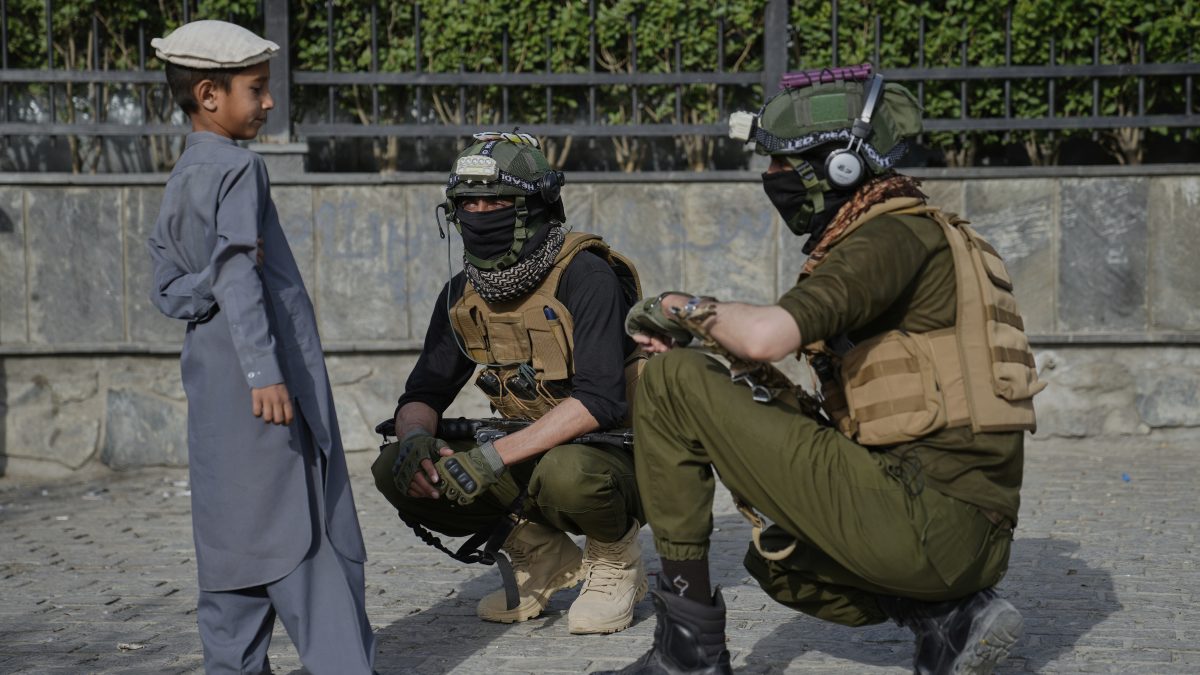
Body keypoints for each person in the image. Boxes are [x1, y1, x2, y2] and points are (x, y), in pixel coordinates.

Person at [609, 68, 1044, 675]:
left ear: (840, 167)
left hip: (928, 516)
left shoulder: (889, 238)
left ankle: (688, 654)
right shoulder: (916, 231)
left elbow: (765, 336)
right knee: (780, 558)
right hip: (964, 530)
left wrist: (679, 306)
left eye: (784, 165)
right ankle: (949, 617)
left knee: (668, 380)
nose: (772, 180)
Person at [146, 20, 374, 675]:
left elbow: (169, 292)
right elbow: (240, 273)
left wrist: (212, 273)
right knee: (302, 535)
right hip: (263, 392)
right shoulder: (240, 169)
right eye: (258, 88)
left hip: (213, 397)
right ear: (209, 94)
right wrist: (264, 370)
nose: (270, 102)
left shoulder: (183, 175)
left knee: (230, 548)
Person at [372, 132, 648, 635]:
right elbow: (423, 394)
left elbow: (601, 400)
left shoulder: (586, 276)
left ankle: (615, 558)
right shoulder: (462, 293)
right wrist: (414, 439)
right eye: (468, 202)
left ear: (537, 205)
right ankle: (538, 552)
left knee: (570, 473)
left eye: (497, 200)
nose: (480, 211)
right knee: (396, 467)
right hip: (529, 449)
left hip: (620, 458)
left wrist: (491, 459)